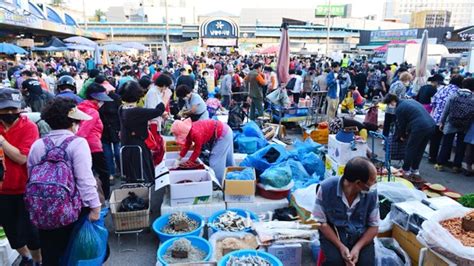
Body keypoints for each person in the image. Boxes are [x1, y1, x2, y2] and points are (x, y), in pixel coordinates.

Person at [27, 98, 101, 266]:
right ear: (73, 121)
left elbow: (31, 177)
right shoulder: (78, 143)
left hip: (43, 211)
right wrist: (95, 207)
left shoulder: (38, 145)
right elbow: (84, 179)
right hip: (72, 211)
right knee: (78, 252)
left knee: (52, 254)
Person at [0, 88, 42, 266]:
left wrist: (1, 141)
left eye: (13, 109)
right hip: (2, 191)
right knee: (10, 231)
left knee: (31, 231)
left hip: (25, 188)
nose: (10, 113)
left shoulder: (29, 127)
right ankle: (26, 258)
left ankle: (39, 260)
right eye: (5, 109)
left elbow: (21, 158)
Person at [313, 157, 378, 266]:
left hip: (360, 235)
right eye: (372, 181)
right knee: (335, 262)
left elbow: (374, 226)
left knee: (366, 263)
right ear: (358, 183)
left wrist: (357, 248)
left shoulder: (371, 194)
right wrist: (340, 246)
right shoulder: (326, 188)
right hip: (334, 234)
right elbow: (320, 222)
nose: (374, 183)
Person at [118, 80, 165, 182]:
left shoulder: (122, 109)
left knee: (132, 176)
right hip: (138, 146)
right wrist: (162, 99)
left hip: (126, 145)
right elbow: (159, 110)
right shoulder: (137, 111)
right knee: (142, 175)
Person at [384, 94, 435, 178]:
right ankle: (415, 169)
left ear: (393, 101)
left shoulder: (399, 108)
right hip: (431, 125)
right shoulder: (409, 101)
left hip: (419, 126)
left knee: (410, 148)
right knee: (420, 149)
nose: (390, 106)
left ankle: (406, 169)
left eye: (389, 104)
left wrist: (402, 136)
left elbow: (402, 125)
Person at [77, 83, 113, 199]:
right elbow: (83, 132)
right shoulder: (93, 112)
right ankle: (105, 197)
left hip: (84, 147)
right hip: (93, 147)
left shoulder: (80, 108)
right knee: (103, 173)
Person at [171, 118, 235, 183]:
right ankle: (234, 179)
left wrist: (189, 163)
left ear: (182, 132)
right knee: (228, 161)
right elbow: (187, 146)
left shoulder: (196, 133)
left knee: (215, 162)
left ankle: (219, 183)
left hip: (223, 134)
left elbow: (197, 151)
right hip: (225, 130)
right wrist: (178, 159)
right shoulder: (189, 130)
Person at [435, 77, 474, 172]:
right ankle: (456, 166)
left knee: (446, 143)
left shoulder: (454, 95)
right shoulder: (472, 97)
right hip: (465, 124)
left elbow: (446, 110)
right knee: (461, 146)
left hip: (451, 122)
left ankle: (440, 164)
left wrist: (442, 122)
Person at [429, 74, 463, 164]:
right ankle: (443, 159)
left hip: (436, 117)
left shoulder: (442, 88)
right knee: (447, 141)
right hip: (447, 120)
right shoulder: (458, 92)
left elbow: (433, 102)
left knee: (435, 139)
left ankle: (432, 157)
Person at [97, 76, 122, 180]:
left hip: (116, 128)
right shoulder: (98, 100)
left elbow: (120, 113)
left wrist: (121, 128)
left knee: (117, 152)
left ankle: (121, 171)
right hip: (104, 129)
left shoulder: (116, 98)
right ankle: (110, 173)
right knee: (107, 154)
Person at [383, 72, 412, 138]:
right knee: (394, 123)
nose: (409, 82)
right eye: (409, 80)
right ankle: (392, 137)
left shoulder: (394, 83)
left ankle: (384, 137)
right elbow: (400, 98)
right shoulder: (402, 86)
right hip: (395, 107)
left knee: (387, 123)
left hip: (389, 106)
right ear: (406, 79)